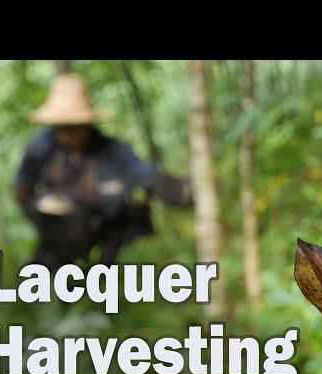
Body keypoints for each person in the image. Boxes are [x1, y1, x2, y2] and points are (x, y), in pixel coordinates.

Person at [14, 73, 191, 267]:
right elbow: (23, 189)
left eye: (73, 127)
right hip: (58, 236)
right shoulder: (41, 147)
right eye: (61, 128)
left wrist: (183, 192)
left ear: (87, 124)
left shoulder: (111, 151)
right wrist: (42, 218)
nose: (67, 135)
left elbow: (146, 175)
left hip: (103, 231)